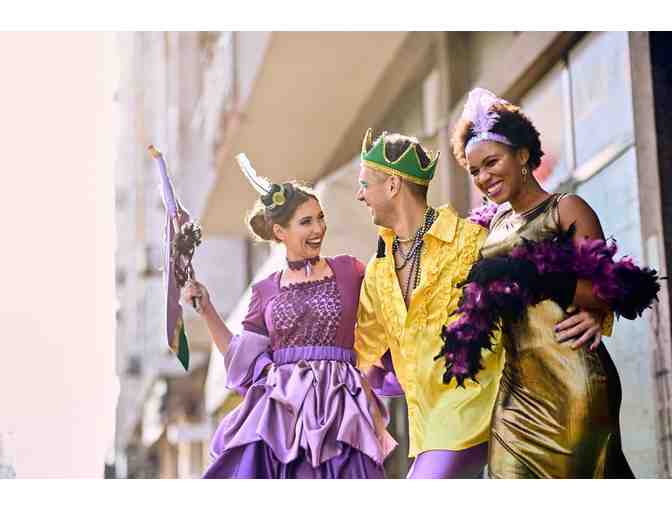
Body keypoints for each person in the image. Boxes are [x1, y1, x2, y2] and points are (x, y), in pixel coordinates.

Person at [353, 128, 607, 478]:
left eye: (365, 184)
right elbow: (366, 352)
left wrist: (597, 309)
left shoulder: (475, 241)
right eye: (475, 170)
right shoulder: (377, 269)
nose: (360, 194)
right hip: (427, 426)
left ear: (393, 186)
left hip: (484, 409)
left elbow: (542, 282)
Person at [445, 87, 658, 478]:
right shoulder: (492, 226)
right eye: (474, 171)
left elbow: (609, 290)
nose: (484, 177)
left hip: (572, 380)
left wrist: (541, 281)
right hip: (516, 390)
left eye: (492, 162)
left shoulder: (565, 208)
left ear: (522, 155)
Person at [184, 174, 396, 478]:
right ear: (279, 231)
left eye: (320, 218)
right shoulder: (265, 291)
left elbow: (387, 311)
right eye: (306, 222)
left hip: (342, 410)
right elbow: (240, 358)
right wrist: (206, 309)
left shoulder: (350, 271)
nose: (318, 229)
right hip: (284, 415)